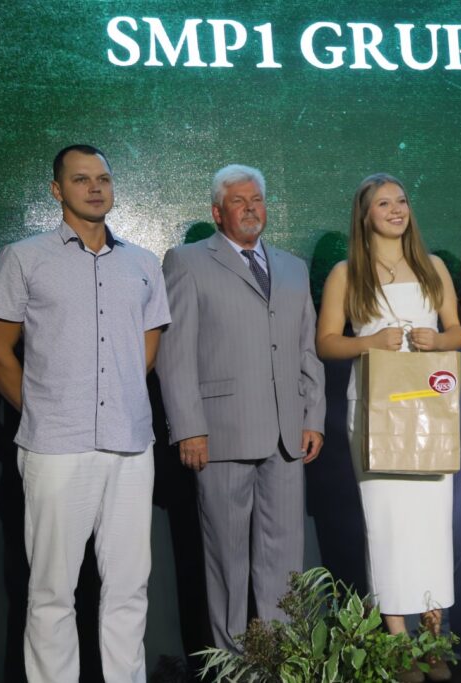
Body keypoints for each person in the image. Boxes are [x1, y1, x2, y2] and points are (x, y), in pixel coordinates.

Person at [0, 144, 170, 682]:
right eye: (81, 179)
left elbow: (146, 350)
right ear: (56, 190)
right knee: (52, 592)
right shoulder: (25, 257)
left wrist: (117, 399)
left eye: (102, 178)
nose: (94, 187)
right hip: (56, 447)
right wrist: (44, 410)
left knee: (130, 587)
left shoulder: (142, 262)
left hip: (130, 445)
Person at [156, 164, 326, 652]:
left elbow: (306, 349)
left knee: (285, 560)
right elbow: (175, 353)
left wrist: (313, 417)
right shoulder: (187, 261)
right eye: (238, 201)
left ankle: (283, 660)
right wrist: (189, 427)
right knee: (226, 561)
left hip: (287, 436)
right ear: (217, 212)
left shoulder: (292, 267)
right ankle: (233, 666)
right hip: (221, 435)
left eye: (257, 200)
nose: (250, 209)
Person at [316, 173, 461, 683]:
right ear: (365, 214)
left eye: (401, 201)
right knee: (386, 526)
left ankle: (433, 639)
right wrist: (368, 343)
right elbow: (326, 342)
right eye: (384, 203)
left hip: (428, 410)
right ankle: (397, 642)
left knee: (432, 526)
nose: (397, 209)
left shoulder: (432, 266)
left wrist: (437, 338)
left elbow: (458, 332)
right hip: (375, 411)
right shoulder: (346, 274)